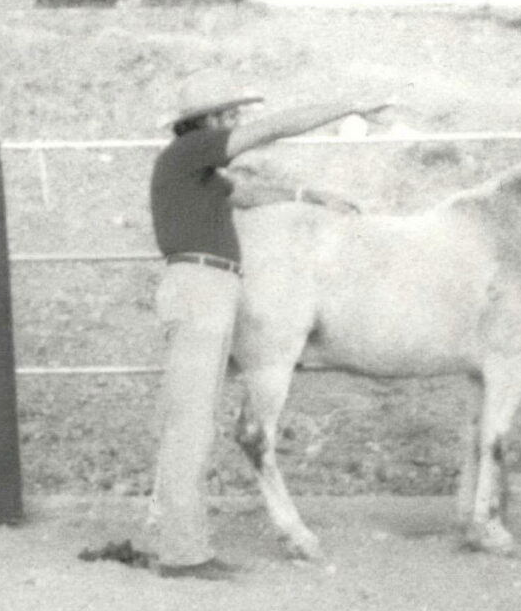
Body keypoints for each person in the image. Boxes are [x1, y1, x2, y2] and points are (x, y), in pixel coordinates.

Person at [147, 82, 391, 579]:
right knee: (190, 424)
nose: (234, 120)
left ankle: (168, 538)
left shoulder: (200, 171)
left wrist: (308, 195)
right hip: (199, 287)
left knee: (192, 419)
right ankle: (182, 554)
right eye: (227, 114)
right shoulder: (190, 151)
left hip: (209, 287)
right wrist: (346, 103)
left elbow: (249, 193)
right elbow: (272, 129)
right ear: (207, 121)